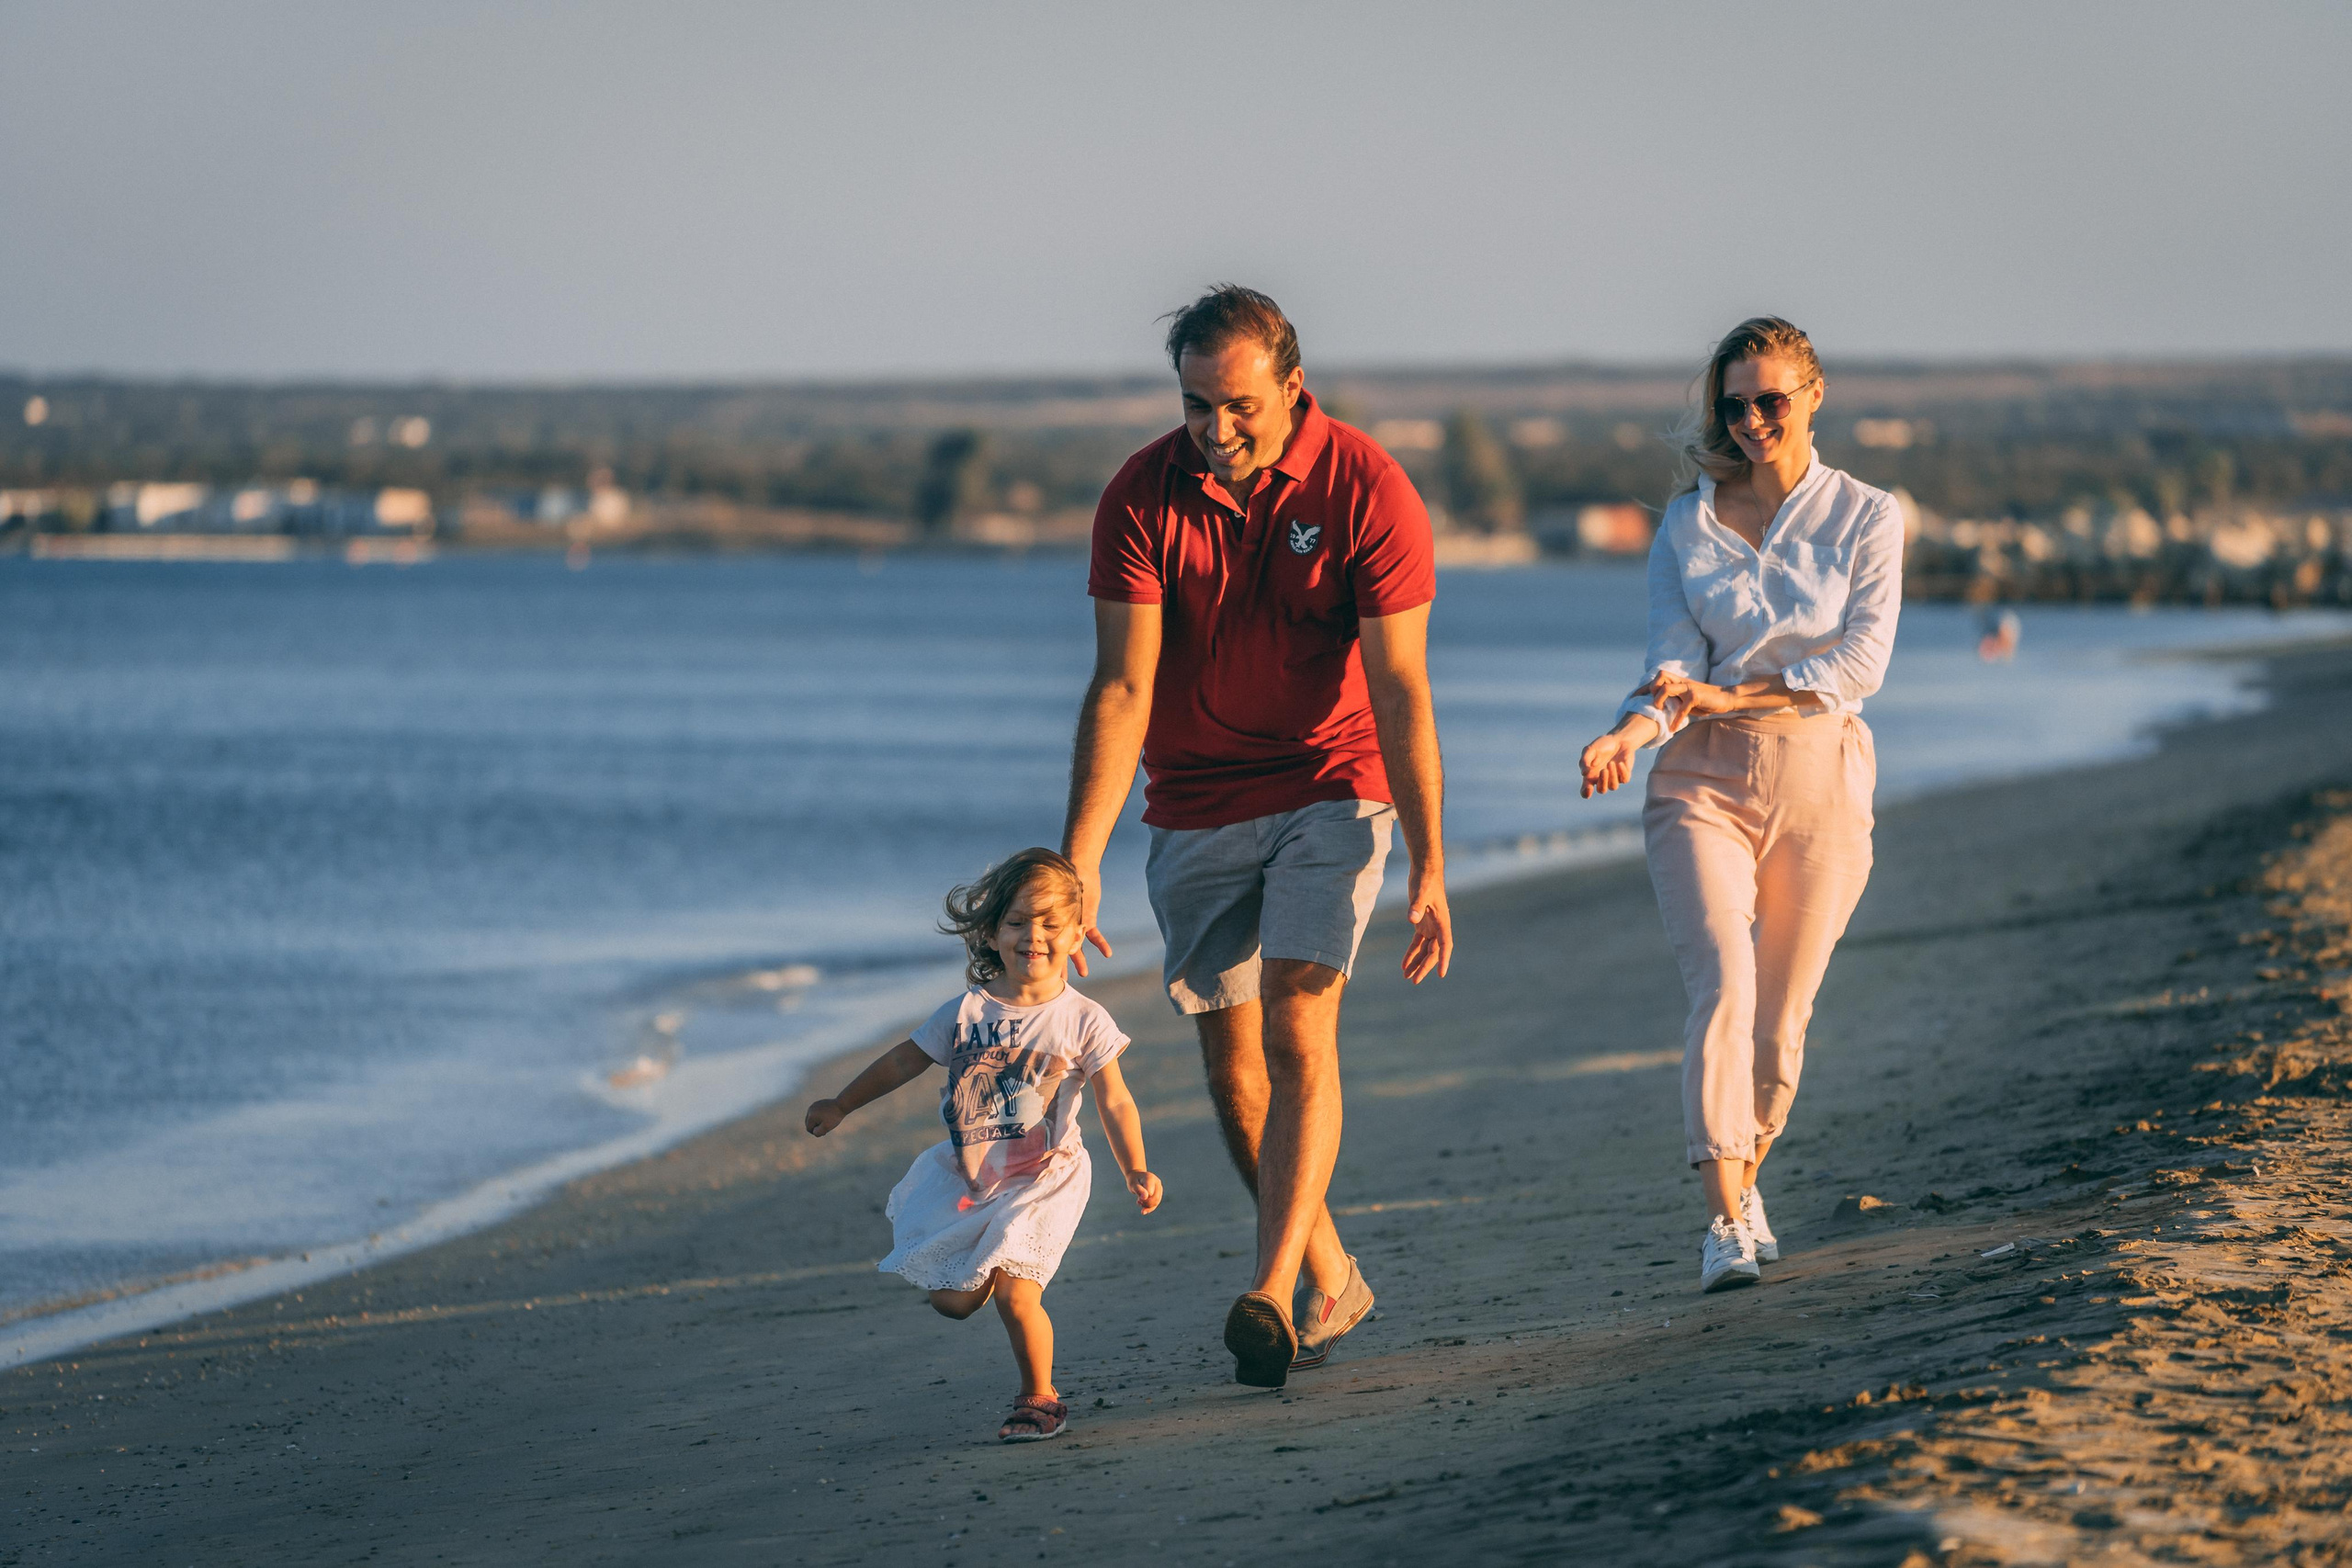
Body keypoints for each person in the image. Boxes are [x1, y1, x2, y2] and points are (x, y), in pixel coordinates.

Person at [1060, 285, 1450, 1389]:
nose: (1215, 430)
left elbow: (1403, 687)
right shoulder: (1143, 493)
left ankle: (1270, 1292)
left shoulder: (1365, 485)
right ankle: (1330, 1272)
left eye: (1237, 405)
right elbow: (1123, 682)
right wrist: (1080, 858)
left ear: (1290, 385)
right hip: (1193, 803)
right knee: (1233, 1075)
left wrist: (1428, 860)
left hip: (1334, 784)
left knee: (1296, 1025)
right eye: (1195, 406)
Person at [1577, 317, 1903, 1294]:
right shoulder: (1688, 523)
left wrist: (1737, 695)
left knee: (1781, 1019)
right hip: (1701, 783)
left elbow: (1859, 666)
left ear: (1813, 395)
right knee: (1723, 989)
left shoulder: (1866, 516)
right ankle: (1724, 1221)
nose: (1754, 420)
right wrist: (1629, 736)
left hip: (1822, 783)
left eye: (1771, 400)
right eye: (1734, 405)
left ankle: (1746, 1183)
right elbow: (1673, 667)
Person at [802, 848, 1162, 1442]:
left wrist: (1136, 1167)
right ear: (991, 932)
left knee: (1018, 1295)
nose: (1034, 935)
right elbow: (902, 1060)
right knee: (954, 1301)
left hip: (1046, 1177)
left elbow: (1115, 1099)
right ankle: (989, 1265)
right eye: (1018, 921)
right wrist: (841, 1102)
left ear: (1077, 933)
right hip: (973, 1177)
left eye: (1050, 922)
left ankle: (1039, 1397)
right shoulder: (967, 1010)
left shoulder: (1082, 1019)